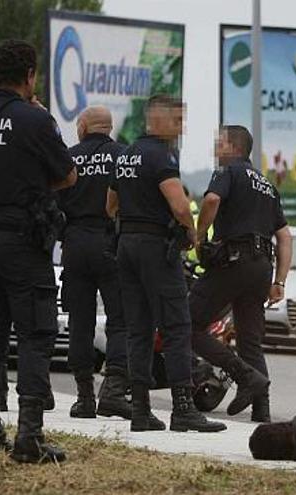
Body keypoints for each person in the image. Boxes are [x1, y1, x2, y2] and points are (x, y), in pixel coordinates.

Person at [0, 40, 76, 463]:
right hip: (22, 241)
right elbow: (68, 176)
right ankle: (29, 439)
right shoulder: (35, 120)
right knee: (37, 335)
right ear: (31, 76)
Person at [107, 95, 225, 433]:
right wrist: (190, 233)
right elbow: (178, 204)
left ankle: (141, 410)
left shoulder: (127, 153)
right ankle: (183, 409)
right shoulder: (161, 155)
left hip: (126, 246)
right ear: (156, 119)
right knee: (176, 327)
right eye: (177, 120)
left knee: (139, 329)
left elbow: (109, 205)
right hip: (156, 248)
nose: (181, 127)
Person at [189, 125, 293, 423]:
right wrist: (279, 281)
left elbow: (210, 201)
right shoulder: (267, 185)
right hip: (262, 268)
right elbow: (285, 237)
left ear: (233, 147)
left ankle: (243, 376)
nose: (215, 149)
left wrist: (199, 237)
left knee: (186, 323)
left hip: (233, 262)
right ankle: (262, 409)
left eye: (218, 143)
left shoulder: (228, 171)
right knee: (250, 339)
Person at [59, 106, 131, 420]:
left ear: (84, 127)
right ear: (109, 128)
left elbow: (51, 203)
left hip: (75, 243)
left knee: (80, 320)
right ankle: (113, 391)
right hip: (111, 243)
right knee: (121, 318)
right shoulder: (124, 156)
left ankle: (84, 397)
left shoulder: (68, 157)